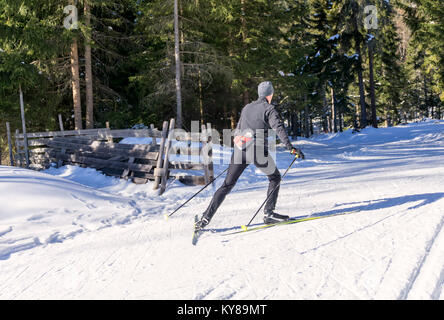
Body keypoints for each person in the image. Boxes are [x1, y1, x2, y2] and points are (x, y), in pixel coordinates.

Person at [195, 81, 304, 231]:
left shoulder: (247, 107)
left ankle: (205, 218)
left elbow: (238, 129)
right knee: (275, 177)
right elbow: (278, 128)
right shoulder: (269, 108)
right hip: (256, 150)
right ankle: (269, 213)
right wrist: (290, 148)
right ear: (270, 94)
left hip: (240, 149)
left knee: (227, 184)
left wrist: (239, 150)